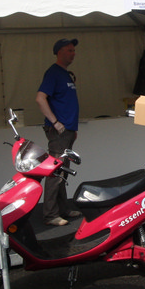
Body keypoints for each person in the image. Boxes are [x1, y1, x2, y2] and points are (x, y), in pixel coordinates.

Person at [36, 38, 82, 226]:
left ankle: (62, 209)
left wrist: (72, 129)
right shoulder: (53, 73)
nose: (73, 53)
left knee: (62, 171)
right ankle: (50, 214)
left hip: (67, 131)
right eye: (69, 50)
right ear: (59, 52)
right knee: (55, 171)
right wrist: (55, 123)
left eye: (73, 50)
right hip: (59, 132)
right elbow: (40, 98)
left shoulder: (64, 74)